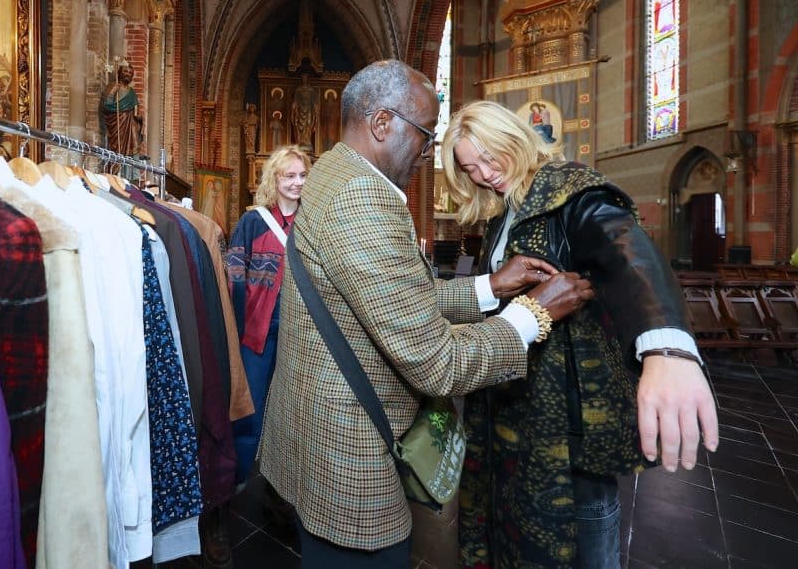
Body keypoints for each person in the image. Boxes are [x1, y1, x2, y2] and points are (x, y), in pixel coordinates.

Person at [259, 60, 594, 568]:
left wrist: (488, 287)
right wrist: (531, 314)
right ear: (382, 123)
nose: (428, 152)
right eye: (425, 133)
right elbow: (436, 362)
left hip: (316, 432)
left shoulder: (332, 168)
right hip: (351, 461)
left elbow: (389, 296)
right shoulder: (361, 198)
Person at [441, 99, 719, 568]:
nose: (485, 174)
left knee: (581, 539)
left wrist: (668, 349)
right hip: (509, 407)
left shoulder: (573, 193)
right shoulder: (504, 213)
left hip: (566, 416)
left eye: (490, 158)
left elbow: (628, 252)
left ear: (514, 139)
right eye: (472, 169)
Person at [226, 145, 311, 511]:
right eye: (288, 176)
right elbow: (233, 274)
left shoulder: (313, 220)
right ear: (274, 178)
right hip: (256, 330)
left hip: (301, 333)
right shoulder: (253, 222)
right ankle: (237, 479)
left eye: (302, 175)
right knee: (250, 407)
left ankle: (285, 491)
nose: (296, 183)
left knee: (294, 412)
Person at [100, 62, 143, 155]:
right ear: (119, 72)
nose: (128, 74)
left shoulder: (131, 92)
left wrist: (139, 118)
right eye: (125, 71)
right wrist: (113, 91)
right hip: (117, 124)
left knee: (134, 148)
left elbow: (136, 110)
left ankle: (129, 168)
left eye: (130, 73)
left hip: (130, 125)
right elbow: (107, 105)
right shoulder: (113, 87)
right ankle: (116, 168)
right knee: (117, 150)